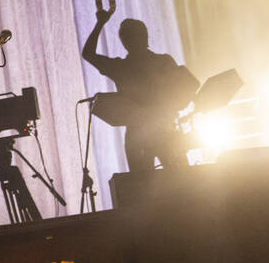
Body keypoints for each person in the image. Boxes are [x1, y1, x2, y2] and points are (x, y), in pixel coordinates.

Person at [82, 9, 197, 171]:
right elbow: (184, 89)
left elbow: (88, 54)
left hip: (138, 135)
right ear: (145, 37)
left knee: (142, 188)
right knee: (182, 179)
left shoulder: (121, 68)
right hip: (166, 129)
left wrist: (100, 23)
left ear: (124, 42)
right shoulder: (164, 61)